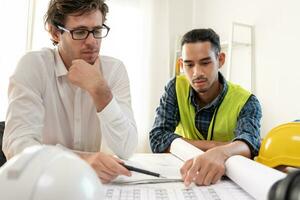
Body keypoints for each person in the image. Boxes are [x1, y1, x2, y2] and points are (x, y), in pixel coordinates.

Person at [2, 0, 138, 183]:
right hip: (42, 183)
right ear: (55, 32)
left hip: (91, 186)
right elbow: (17, 147)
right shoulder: (33, 66)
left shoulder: (114, 70)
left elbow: (126, 148)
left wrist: (100, 91)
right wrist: (82, 161)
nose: (92, 42)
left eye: (97, 31)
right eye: (80, 32)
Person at [149, 28, 262, 186]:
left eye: (205, 63)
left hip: (226, 180)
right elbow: (157, 138)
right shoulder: (175, 87)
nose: (196, 73)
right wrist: (217, 147)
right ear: (181, 64)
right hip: (182, 176)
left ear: (220, 59)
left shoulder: (247, 101)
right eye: (189, 65)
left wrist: (220, 153)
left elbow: (250, 145)